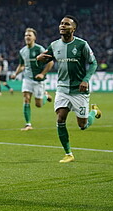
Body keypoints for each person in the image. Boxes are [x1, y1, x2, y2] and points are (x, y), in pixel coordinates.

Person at [36, 15, 101, 163]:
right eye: (61, 23)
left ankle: (94, 111)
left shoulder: (82, 44)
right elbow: (46, 57)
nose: (62, 26)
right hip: (62, 89)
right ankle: (68, 153)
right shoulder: (54, 45)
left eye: (66, 24)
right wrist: (40, 58)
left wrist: (85, 80)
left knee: (82, 126)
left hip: (79, 90)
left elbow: (93, 63)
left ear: (73, 28)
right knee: (60, 118)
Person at [11, 28, 54, 131]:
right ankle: (28, 124)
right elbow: (22, 65)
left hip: (39, 81)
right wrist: (15, 74)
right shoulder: (22, 51)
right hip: (27, 79)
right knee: (26, 99)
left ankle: (45, 95)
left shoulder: (40, 49)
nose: (27, 37)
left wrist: (42, 74)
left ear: (34, 37)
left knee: (38, 104)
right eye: (26, 35)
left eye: (29, 35)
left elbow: (50, 62)